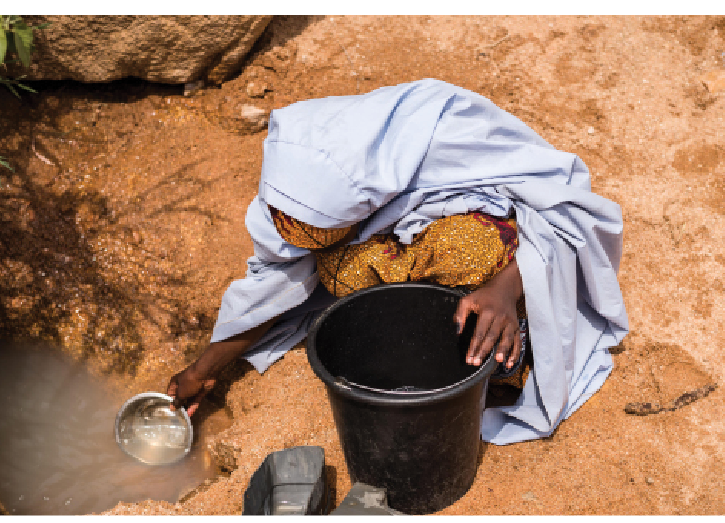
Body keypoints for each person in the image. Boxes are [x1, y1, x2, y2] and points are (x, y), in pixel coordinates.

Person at [167, 78, 628, 445]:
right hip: (405, 244)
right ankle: (425, 333)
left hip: (492, 257)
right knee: (340, 272)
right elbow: (269, 285)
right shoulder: (292, 190)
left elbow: (567, 211)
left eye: (319, 234)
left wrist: (506, 289)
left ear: (356, 202)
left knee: (469, 247)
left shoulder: (443, 134)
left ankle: (508, 349)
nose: (299, 244)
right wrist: (199, 373)